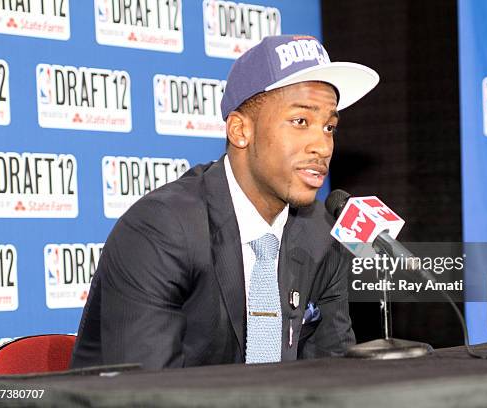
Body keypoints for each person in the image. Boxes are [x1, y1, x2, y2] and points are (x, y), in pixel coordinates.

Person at [70, 34, 379, 370]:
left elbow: (336, 378)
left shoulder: (322, 234)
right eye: (301, 121)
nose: (322, 145)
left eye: (330, 126)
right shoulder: (161, 229)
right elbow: (145, 393)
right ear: (239, 130)